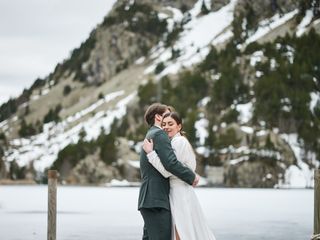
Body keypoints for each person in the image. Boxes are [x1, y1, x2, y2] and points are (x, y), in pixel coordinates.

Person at [143, 111, 216, 240]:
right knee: (185, 229)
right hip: (179, 191)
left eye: (170, 124)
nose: (166, 127)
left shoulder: (178, 142)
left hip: (179, 193)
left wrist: (150, 154)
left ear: (179, 126)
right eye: (164, 124)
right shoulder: (177, 141)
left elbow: (168, 170)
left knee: (181, 230)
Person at [138, 103, 200, 240]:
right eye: (165, 115)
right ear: (158, 117)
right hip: (157, 200)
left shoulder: (150, 135)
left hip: (149, 199)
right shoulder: (159, 134)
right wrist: (191, 176)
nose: (166, 124)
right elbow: (171, 164)